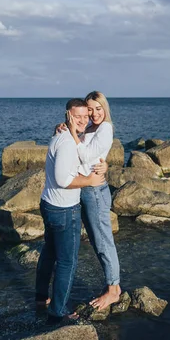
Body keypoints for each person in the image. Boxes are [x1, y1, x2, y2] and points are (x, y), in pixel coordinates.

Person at [35, 98, 107, 324]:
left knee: (49, 252)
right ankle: (57, 313)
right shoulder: (66, 141)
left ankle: (41, 297)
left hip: (49, 204)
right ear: (68, 115)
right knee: (67, 262)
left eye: (86, 116)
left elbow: (86, 154)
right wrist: (88, 180)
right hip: (64, 210)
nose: (83, 120)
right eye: (78, 117)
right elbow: (62, 179)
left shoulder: (63, 135)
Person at [58, 91, 121, 311]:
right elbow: (84, 152)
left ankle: (114, 290)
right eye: (90, 109)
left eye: (98, 108)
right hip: (86, 189)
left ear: (105, 108)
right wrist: (63, 128)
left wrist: (73, 132)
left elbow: (85, 156)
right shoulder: (92, 127)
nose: (94, 114)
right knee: (97, 241)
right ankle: (111, 284)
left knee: (104, 241)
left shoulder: (105, 128)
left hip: (94, 191)